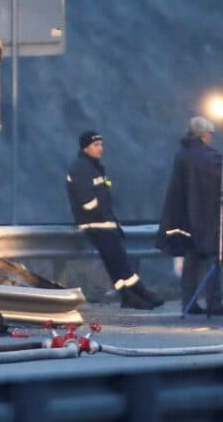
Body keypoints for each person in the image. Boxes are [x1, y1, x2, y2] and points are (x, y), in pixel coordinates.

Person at [157, 117, 223, 316]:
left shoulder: (183, 154)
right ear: (204, 135)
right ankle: (213, 302)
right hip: (206, 215)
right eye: (210, 135)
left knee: (191, 260)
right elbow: (221, 175)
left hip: (185, 215)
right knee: (212, 257)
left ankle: (189, 302)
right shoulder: (205, 155)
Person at [66, 130, 164, 309]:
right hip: (96, 224)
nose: (100, 148)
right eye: (96, 145)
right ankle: (137, 293)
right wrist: (102, 213)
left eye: (101, 144)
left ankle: (130, 295)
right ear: (85, 147)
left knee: (116, 262)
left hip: (104, 222)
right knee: (118, 261)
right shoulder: (81, 168)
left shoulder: (94, 167)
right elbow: (86, 201)